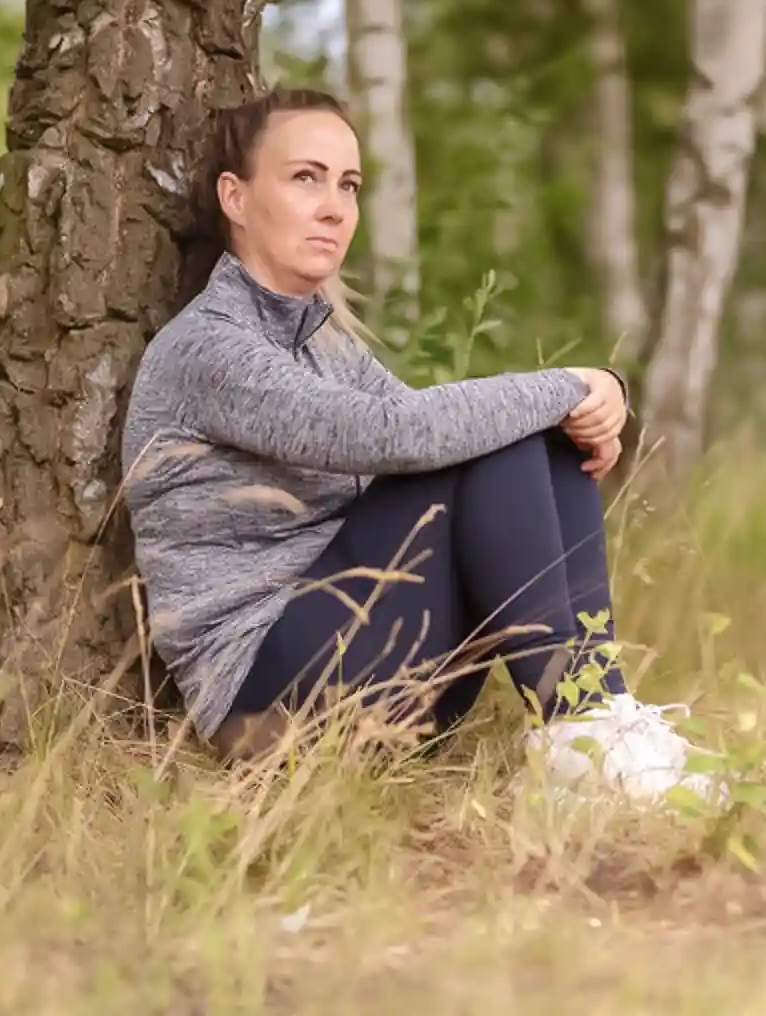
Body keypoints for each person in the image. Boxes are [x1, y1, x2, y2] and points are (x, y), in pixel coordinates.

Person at [120, 87, 719, 807]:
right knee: (500, 435)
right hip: (269, 702)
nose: (335, 207)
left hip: (370, 671)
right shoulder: (209, 349)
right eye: (305, 177)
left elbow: (434, 429)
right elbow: (396, 436)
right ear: (236, 197)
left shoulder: (323, 344)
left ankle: (598, 723)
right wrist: (579, 384)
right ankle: (579, 741)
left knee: (530, 439)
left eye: (349, 185)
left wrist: (582, 398)